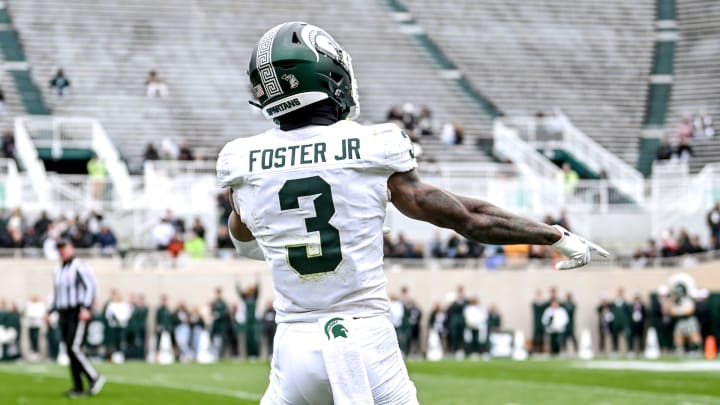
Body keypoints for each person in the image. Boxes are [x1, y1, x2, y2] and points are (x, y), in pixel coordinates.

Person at [216, 21, 607, 405]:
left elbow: (245, 240)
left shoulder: (243, 163)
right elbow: (468, 218)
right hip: (367, 340)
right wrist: (553, 235)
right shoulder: (371, 145)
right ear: (329, 77)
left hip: (294, 348)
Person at [46, 238, 105, 397]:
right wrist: (50, 310)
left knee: (74, 347)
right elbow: (56, 293)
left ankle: (94, 377)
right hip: (63, 312)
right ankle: (77, 386)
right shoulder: (58, 270)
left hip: (77, 312)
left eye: (64, 248)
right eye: (59, 249)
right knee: (69, 350)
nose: (61, 251)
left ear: (71, 248)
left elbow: (91, 286)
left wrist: (86, 307)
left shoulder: (79, 266)